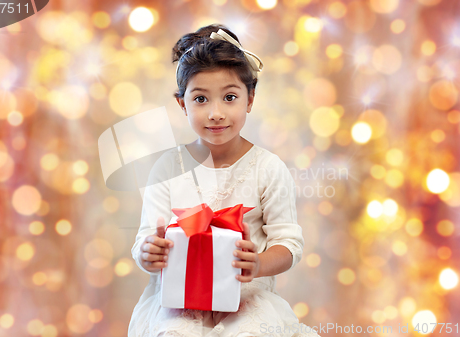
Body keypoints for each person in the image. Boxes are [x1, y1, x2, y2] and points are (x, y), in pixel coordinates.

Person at [128, 24, 320, 337]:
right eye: (201, 99)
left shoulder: (267, 168)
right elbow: (145, 240)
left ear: (250, 99)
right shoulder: (167, 167)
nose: (216, 113)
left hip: (246, 301)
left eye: (229, 97)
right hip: (178, 303)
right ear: (182, 104)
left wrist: (257, 263)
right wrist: (149, 251)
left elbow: (288, 244)